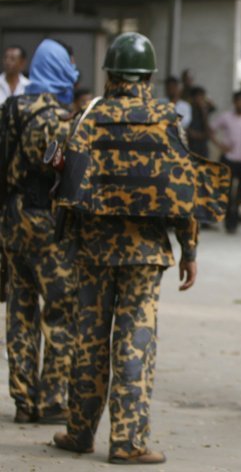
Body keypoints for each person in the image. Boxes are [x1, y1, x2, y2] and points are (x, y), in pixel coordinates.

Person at [51, 32, 202, 464]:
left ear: (110, 74)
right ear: (149, 75)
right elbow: (182, 191)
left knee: (89, 341)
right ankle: (128, 441)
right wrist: (188, 249)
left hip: (93, 250)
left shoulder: (87, 117)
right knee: (134, 344)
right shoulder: (166, 118)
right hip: (145, 252)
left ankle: (79, 433)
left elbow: (69, 183)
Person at [1, 39, 77, 424]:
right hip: (47, 222)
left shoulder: (11, 108)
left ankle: (23, 400)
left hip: (12, 220)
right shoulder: (60, 118)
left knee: (20, 310)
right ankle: (50, 400)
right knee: (60, 311)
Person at [212, 88, 241, 234]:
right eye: (239, 100)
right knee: (228, 192)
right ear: (234, 102)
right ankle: (230, 223)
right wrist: (219, 145)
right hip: (229, 159)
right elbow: (211, 130)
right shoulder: (226, 117)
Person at [187, 85, 213, 157]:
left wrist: (204, 112)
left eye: (202, 96)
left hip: (202, 148)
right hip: (190, 147)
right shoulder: (188, 109)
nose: (201, 99)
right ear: (192, 98)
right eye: (198, 96)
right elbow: (187, 130)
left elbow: (207, 132)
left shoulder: (206, 110)